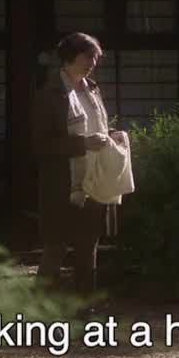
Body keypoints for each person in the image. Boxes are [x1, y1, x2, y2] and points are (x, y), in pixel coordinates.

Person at [32, 32, 114, 295]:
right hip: (61, 183)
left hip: (94, 179)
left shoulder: (92, 89)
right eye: (88, 56)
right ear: (69, 57)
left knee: (88, 246)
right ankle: (38, 308)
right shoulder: (50, 94)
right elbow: (41, 145)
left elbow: (97, 127)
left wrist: (112, 137)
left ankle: (85, 306)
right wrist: (83, 144)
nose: (93, 62)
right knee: (55, 247)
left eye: (96, 57)